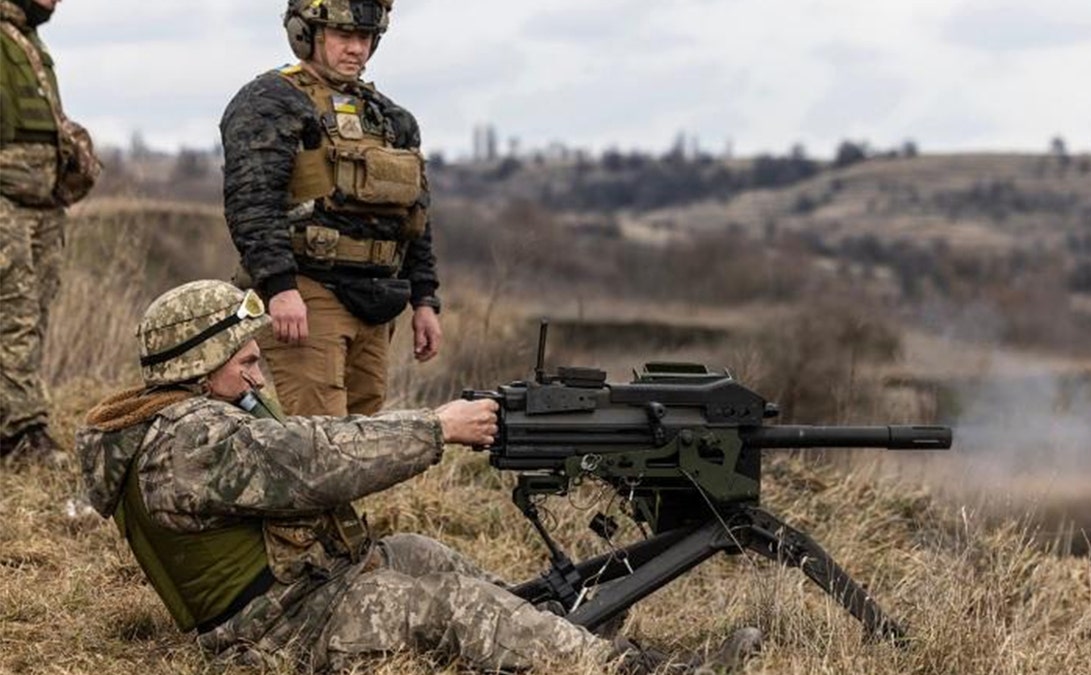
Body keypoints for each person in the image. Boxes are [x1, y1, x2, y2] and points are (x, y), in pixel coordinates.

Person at [76, 280, 760, 673]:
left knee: (417, 555)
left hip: (299, 591)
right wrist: (438, 428)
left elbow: (296, 451)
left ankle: (565, 644)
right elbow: (315, 459)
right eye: (245, 362)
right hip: (269, 634)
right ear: (197, 366)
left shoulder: (183, 422)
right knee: (444, 608)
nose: (258, 375)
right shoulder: (188, 441)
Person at [220, 0, 442, 418]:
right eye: (344, 36)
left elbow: (414, 217)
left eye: (365, 38)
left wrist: (425, 299)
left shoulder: (392, 118)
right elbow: (252, 201)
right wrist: (280, 287)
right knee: (319, 438)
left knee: (366, 436)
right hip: (308, 291)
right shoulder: (271, 101)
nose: (356, 48)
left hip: (376, 300)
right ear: (307, 36)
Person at [0, 0, 99, 467]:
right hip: (6, 202)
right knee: (12, 312)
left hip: (43, 203)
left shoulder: (29, 41)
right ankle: (19, 435)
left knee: (34, 312)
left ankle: (19, 419)